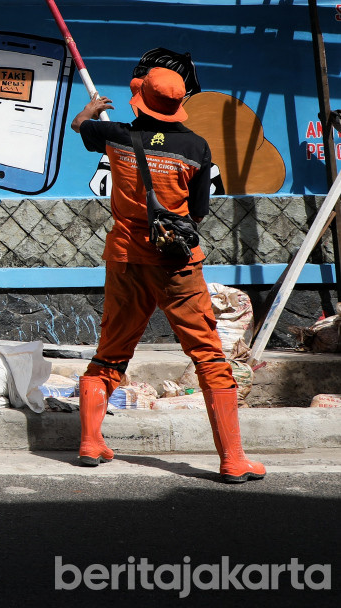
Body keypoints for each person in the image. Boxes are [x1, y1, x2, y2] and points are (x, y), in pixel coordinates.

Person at [71, 67, 265, 483]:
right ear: (178, 105)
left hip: (125, 260)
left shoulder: (117, 135)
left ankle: (90, 442)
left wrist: (91, 109)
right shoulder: (196, 147)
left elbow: (80, 126)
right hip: (176, 265)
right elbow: (197, 213)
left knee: (111, 352)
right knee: (209, 356)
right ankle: (232, 459)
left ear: (140, 99)